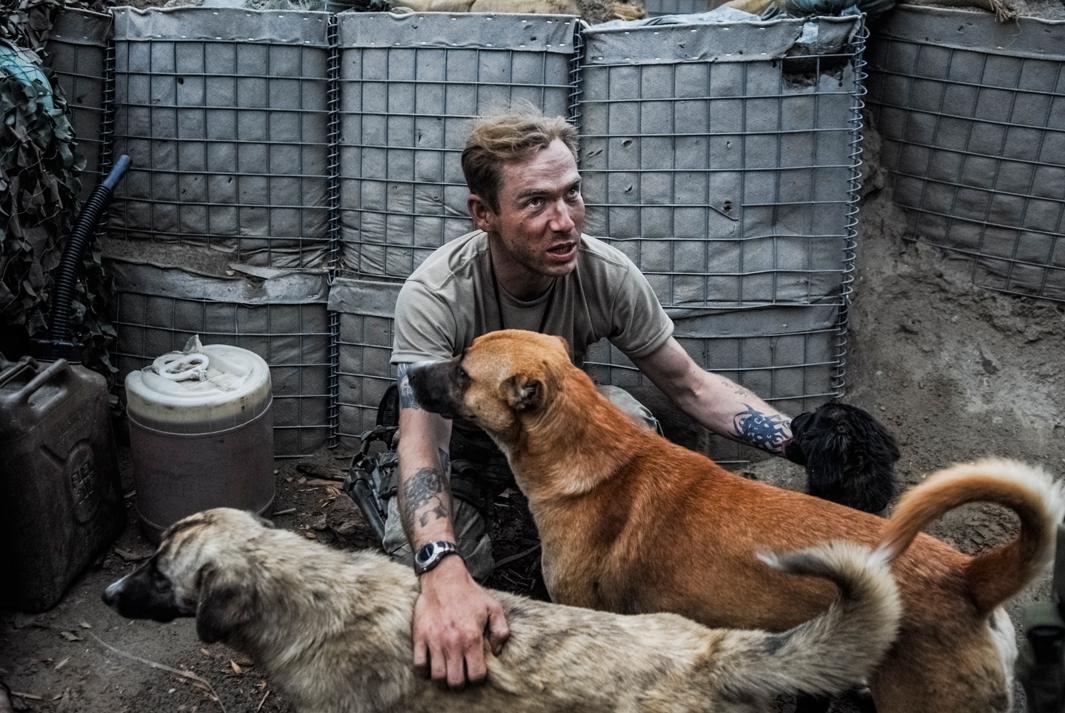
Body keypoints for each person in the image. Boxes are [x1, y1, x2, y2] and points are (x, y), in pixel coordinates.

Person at [387, 110, 800, 691]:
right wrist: (440, 566)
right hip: (468, 454)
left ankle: (632, 619)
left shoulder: (604, 273)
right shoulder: (436, 294)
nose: (565, 222)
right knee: (442, 601)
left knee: (627, 417)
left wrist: (802, 442)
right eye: (535, 203)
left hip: (556, 441)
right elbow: (422, 446)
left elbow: (691, 385)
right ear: (484, 214)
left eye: (572, 194)